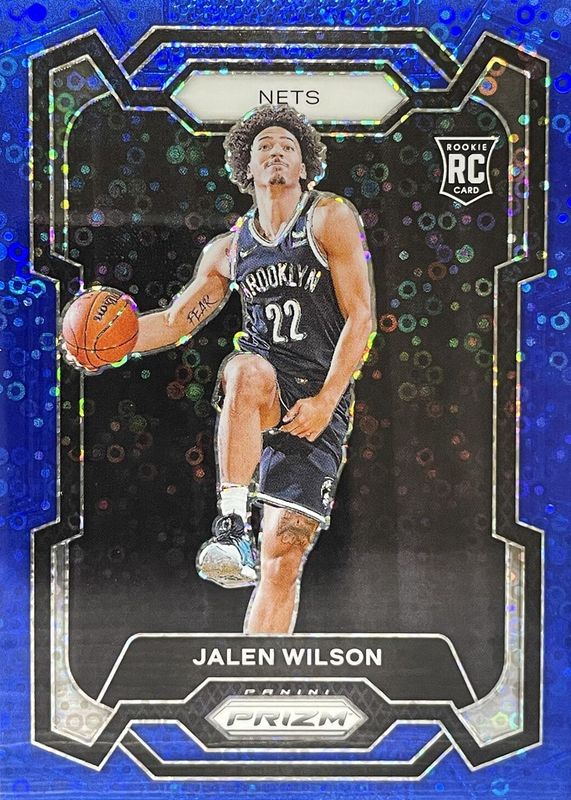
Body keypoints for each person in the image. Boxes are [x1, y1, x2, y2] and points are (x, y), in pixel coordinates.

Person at [64, 104, 375, 635]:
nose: (276, 153)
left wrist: (327, 401)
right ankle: (231, 523)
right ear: (245, 168)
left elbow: (361, 315)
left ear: (305, 166)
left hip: (319, 396)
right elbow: (175, 322)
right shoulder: (229, 249)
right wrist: (106, 346)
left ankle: (260, 666)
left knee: (283, 557)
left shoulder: (329, 217)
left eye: (288, 147)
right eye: (263, 147)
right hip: (264, 387)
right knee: (246, 370)